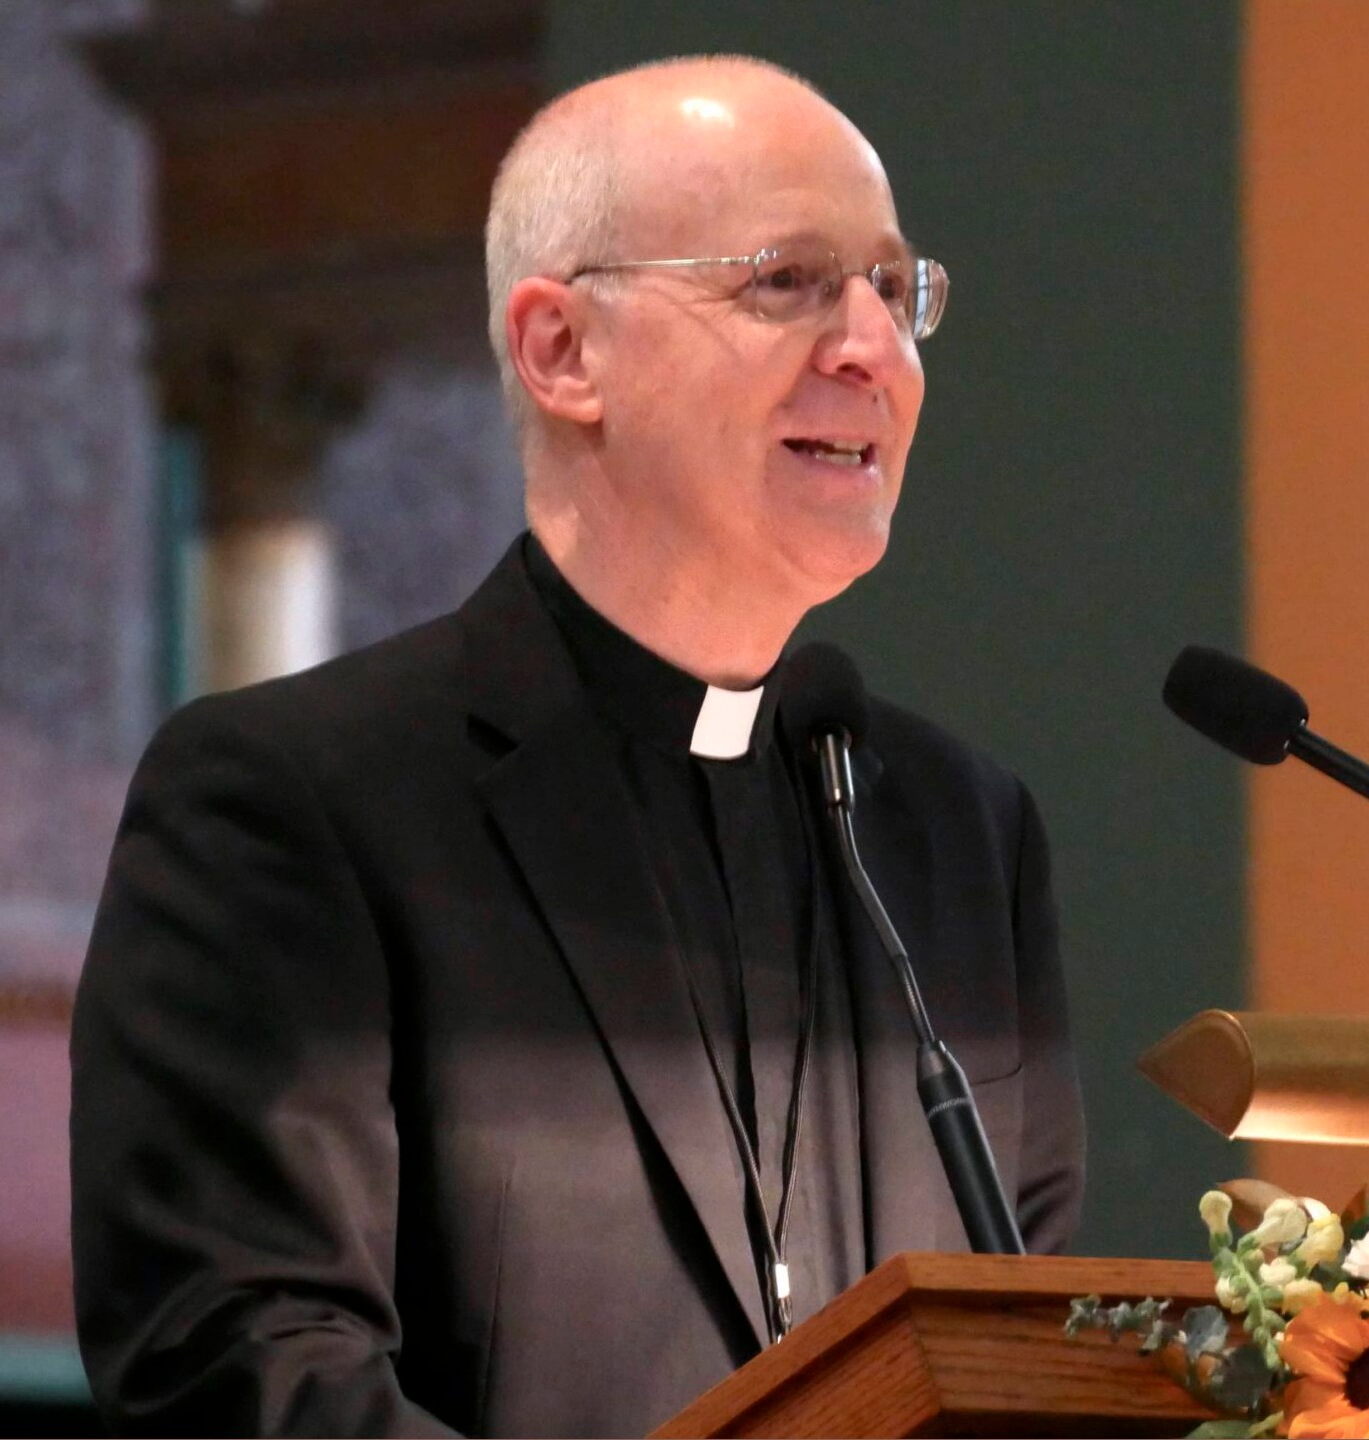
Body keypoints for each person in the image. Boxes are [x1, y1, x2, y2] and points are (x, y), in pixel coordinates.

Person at [70, 55, 1084, 1437]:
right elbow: (246, 1367)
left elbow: (1026, 1357)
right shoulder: (294, 802)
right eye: (786, 281)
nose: (871, 348)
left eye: (893, 291)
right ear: (562, 352)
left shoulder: (953, 833)